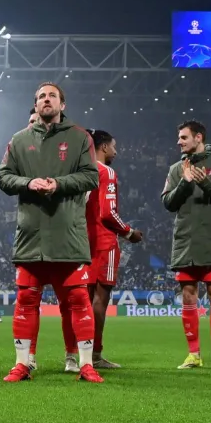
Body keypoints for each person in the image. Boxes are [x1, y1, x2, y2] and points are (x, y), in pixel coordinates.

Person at [0, 82, 102, 383]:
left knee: (79, 299)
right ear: (36, 104)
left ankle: (85, 364)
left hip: (68, 233)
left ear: (62, 104)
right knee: (26, 298)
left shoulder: (80, 137)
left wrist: (57, 184)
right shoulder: (18, 140)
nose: (46, 100)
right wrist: (27, 183)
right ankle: (23, 364)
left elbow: (90, 176)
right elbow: (3, 177)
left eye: (52, 96)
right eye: (41, 96)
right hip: (31, 234)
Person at [161, 120, 211, 370]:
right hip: (186, 241)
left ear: (198, 137)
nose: (179, 142)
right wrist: (185, 182)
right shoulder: (175, 169)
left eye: (184, 137)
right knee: (187, 295)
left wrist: (204, 182)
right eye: (179, 137)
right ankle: (193, 355)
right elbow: (168, 203)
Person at [66, 129, 142, 371]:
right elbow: (108, 214)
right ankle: (95, 355)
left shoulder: (79, 172)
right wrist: (129, 232)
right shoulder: (105, 171)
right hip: (103, 242)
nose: (116, 151)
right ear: (104, 147)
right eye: (114, 146)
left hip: (80, 241)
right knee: (99, 300)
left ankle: (77, 355)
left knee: (82, 301)